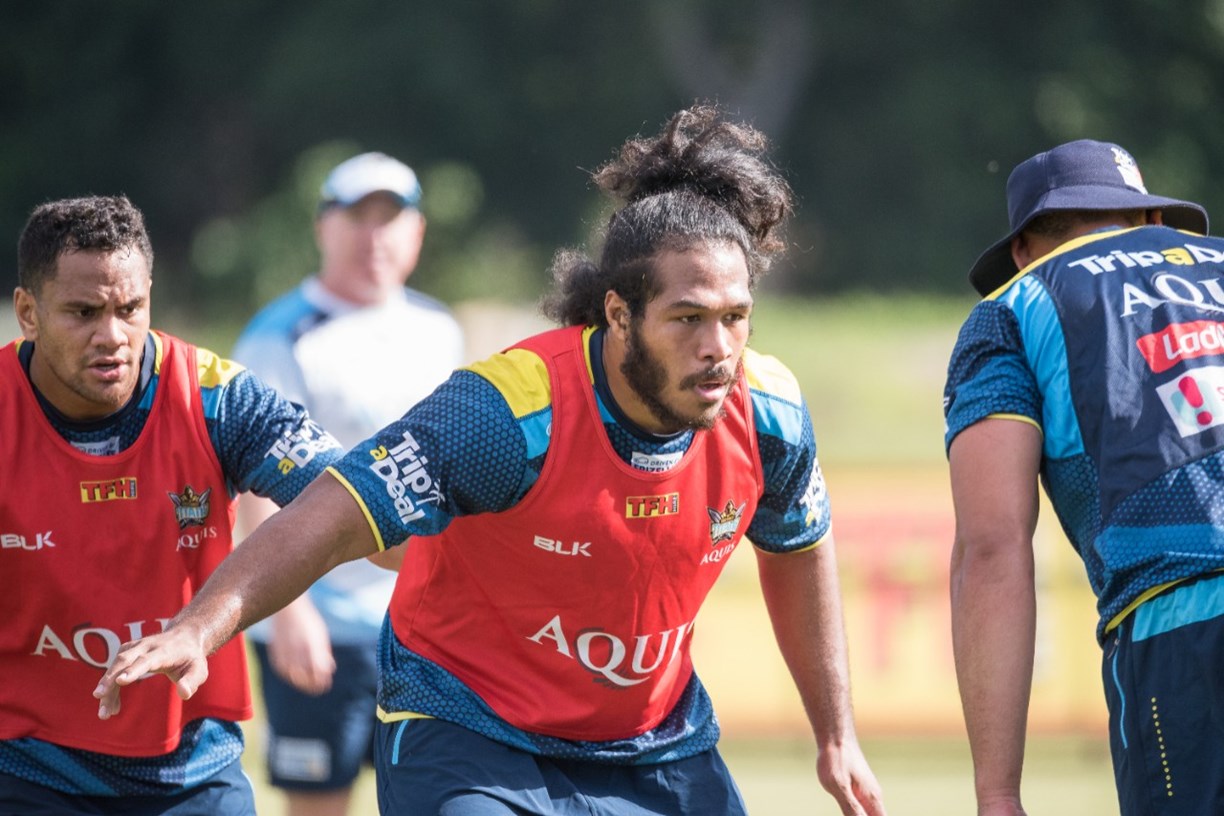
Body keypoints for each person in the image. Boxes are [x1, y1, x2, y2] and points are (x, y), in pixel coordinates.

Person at [96, 105, 887, 816]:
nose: (718, 348)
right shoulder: (510, 412)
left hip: (654, 744)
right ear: (619, 316)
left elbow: (798, 548)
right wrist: (200, 627)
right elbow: (335, 512)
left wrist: (836, 735)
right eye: (687, 319)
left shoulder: (770, 413)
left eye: (735, 317)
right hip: (473, 733)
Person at [0, 195, 348, 815]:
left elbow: (352, 504)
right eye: (83, 312)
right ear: (28, 312)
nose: (112, 336)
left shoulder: (218, 399)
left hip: (193, 772)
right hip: (25, 769)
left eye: (129, 309)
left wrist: (202, 627)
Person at [943, 139, 1224, 816]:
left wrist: (998, 792)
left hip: (1182, 625)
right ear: (1153, 219)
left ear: (1022, 249)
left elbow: (993, 547)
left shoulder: (1011, 310)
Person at [231, 151, 464, 816]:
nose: (374, 236)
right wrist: (289, 611)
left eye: (390, 218)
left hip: (421, 624)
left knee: (434, 797)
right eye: (357, 217)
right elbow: (254, 483)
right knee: (319, 802)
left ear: (417, 232)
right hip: (321, 623)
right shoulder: (281, 337)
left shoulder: (438, 330)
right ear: (322, 227)